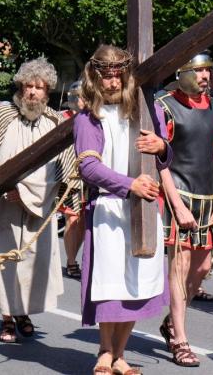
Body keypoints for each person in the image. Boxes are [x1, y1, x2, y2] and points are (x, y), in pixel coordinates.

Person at [0, 57, 75, 344]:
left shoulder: (56, 123)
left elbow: (65, 171)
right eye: (29, 86)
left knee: (31, 264)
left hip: (39, 207)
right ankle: (7, 318)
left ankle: (23, 313)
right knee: (4, 262)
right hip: (3, 206)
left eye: (39, 87)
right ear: (20, 87)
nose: (33, 92)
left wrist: (27, 190)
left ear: (47, 92)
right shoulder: (2, 114)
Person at [74, 44, 171, 375]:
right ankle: (104, 350)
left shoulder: (148, 109)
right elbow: (88, 167)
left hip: (144, 207)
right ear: (95, 78)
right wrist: (128, 184)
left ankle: (120, 354)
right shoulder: (88, 118)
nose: (112, 84)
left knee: (137, 283)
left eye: (118, 76)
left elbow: (165, 151)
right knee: (109, 282)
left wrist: (161, 146)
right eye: (106, 77)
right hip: (110, 209)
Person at [155, 53, 213, 367]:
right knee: (180, 267)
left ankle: (172, 320)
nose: (204, 76)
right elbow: (160, 160)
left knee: (201, 268)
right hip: (179, 196)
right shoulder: (165, 107)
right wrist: (175, 203)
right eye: (199, 70)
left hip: (207, 198)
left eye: (207, 70)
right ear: (183, 71)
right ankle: (180, 338)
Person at [60, 80, 85, 279]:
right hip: (69, 178)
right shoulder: (62, 119)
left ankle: (78, 257)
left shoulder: (93, 118)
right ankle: (70, 260)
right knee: (72, 218)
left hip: (88, 177)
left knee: (84, 221)